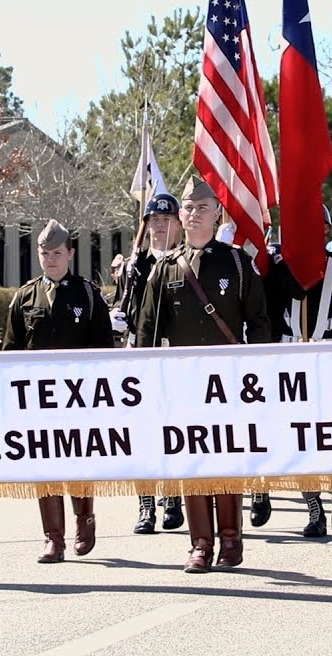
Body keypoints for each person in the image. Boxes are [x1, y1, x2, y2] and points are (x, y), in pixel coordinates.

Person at [135, 175, 272, 573]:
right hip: (182, 383)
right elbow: (147, 329)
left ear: (217, 215)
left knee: (225, 459)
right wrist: (146, 380)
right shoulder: (166, 268)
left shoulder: (237, 263)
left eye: (203, 209)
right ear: (180, 215)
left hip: (228, 381)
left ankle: (231, 538)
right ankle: (200, 544)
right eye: (189, 209)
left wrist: (257, 373)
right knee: (192, 462)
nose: (194, 215)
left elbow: (259, 323)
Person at [3, 219, 114, 563]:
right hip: (38, 400)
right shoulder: (25, 296)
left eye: (56, 253)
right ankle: (54, 538)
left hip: (79, 398)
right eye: (44, 253)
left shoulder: (87, 294)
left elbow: (104, 350)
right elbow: (10, 351)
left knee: (79, 464)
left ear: (70, 254)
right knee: (45, 467)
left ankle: (85, 519)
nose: (50, 259)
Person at [264, 205, 332, 537]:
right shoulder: (280, 268)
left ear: (325, 231)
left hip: (330, 358)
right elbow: (268, 314)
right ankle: (313, 507)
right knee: (301, 436)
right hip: (291, 358)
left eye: (318, 227)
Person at [112, 193, 187, 535]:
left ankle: (172, 499)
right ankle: (145, 506)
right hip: (139, 355)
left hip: (174, 353)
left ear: (178, 223)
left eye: (166, 218)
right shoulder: (134, 265)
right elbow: (123, 305)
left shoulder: (185, 262)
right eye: (153, 220)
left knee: (174, 430)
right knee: (141, 433)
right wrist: (116, 318)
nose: (159, 225)